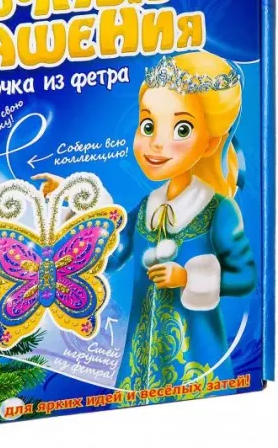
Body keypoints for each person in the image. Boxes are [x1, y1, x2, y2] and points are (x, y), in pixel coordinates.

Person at [34, 52, 256, 403]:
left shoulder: (218, 209)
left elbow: (244, 277)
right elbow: (112, 253)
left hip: (197, 361)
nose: (156, 143)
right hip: (141, 361)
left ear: (211, 142)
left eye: (181, 129)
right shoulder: (146, 207)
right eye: (148, 126)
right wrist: (78, 202)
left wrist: (188, 278)